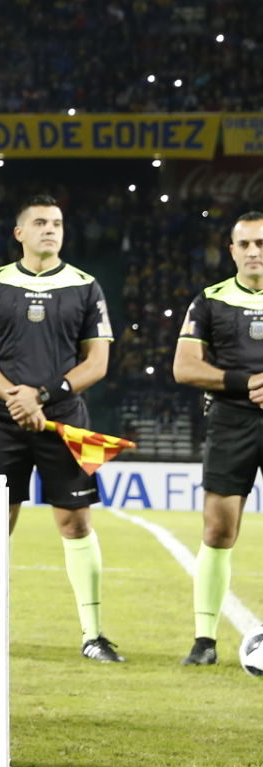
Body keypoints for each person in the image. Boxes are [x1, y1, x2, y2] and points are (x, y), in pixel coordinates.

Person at [0, 193, 116, 661]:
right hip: (5, 421)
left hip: (64, 421)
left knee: (75, 522)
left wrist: (42, 396)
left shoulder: (87, 286)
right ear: (20, 233)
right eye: (41, 223)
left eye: (57, 223)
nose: (51, 229)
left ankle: (93, 635)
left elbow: (98, 362)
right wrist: (16, 398)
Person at [169, 209, 263, 666]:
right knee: (218, 529)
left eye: (261, 244)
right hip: (231, 420)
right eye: (245, 244)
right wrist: (245, 382)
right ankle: (204, 640)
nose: (253, 252)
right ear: (231, 250)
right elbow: (184, 367)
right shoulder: (208, 301)